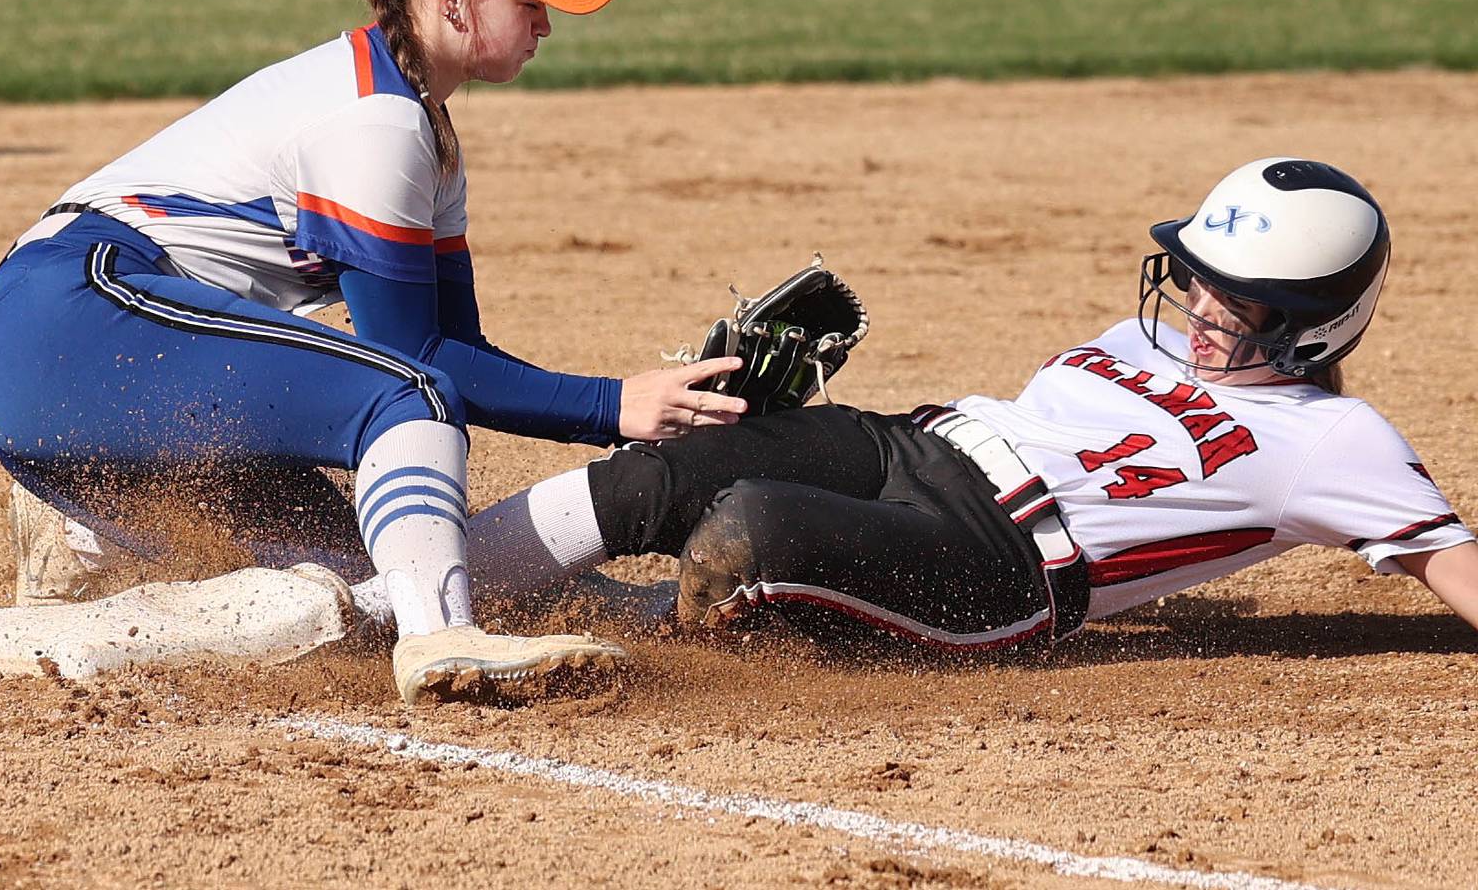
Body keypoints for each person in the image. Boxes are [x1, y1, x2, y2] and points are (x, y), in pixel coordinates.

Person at [0, 0, 746, 704]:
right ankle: (444, 642)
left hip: (102, 374)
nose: (546, 23)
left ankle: (81, 548)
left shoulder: (421, 127)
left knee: (362, 579)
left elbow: (459, 354)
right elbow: (411, 364)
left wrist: (625, 412)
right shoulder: (374, 120)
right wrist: (612, 407)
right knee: (402, 399)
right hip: (69, 326)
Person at [460, 158, 1478, 650]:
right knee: (672, 470)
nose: (1202, 305)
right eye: (1195, 272)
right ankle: (411, 600)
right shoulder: (1144, 337)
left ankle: (592, 636)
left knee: (751, 531)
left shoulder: (1335, 439)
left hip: (1000, 558)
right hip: (910, 438)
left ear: (1320, 320)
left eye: (1240, 296)